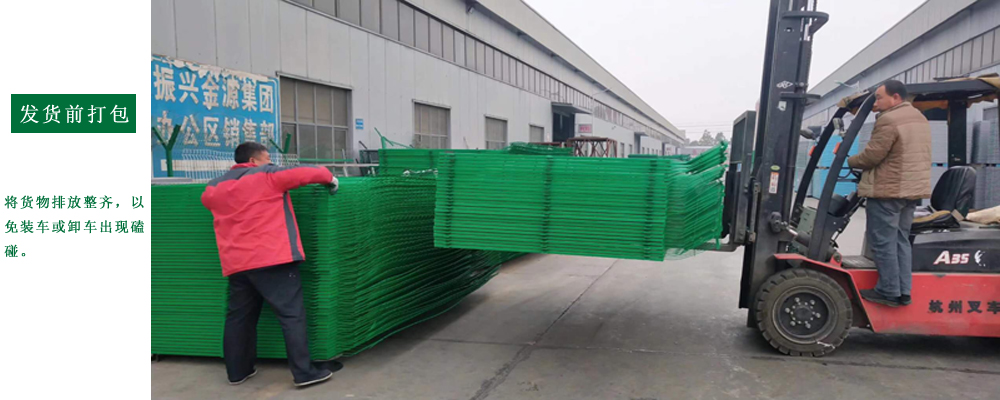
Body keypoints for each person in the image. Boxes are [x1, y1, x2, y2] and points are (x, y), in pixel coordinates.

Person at [201, 142, 342, 386]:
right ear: (253, 161)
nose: (271, 163)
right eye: (268, 158)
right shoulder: (267, 175)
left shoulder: (214, 187)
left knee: (239, 318)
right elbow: (311, 172)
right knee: (291, 316)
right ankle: (304, 373)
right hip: (273, 259)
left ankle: (238, 372)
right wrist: (330, 179)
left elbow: (208, 201)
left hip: (237, 263)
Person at [847, 80, 932, 307]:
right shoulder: (919, 118)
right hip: (910, 192)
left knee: (882, 241)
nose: (876, 103)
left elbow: (872, 156)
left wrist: (849, 160)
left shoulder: (890, 119)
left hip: (888, 191)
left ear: (895, 98)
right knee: (901, 240)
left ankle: (888, 290)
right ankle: (903, 291)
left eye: (879, 97)